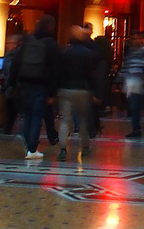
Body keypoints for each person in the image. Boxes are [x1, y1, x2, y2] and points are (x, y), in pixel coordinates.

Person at [11, 16, 60, 160]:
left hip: (25, 84)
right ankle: (32, 149)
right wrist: (52, 92)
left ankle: (28, 146)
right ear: (50, 26)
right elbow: (54, 70)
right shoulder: (51, 44)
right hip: (41, 85)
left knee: (27, 116)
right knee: (37, 117)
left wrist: (13, 83)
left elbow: (16, 62)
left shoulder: (28, 41)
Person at [57, 24, 96, 160]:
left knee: (64, 120)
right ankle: (85, 147)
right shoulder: (87, 53)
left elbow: (58, 72)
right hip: (82, 89)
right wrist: (94, 92)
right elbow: (91, 74)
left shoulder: (64, 51)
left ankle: (63, 149)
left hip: (65, 89)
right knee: (83, 120)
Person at [118, 31, 144, 138]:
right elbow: (126, 66)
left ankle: (137, 126)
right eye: (134, 39)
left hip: (140, 81)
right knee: (134, 105)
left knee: (137, 105)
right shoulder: (131, 52)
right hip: (132, 81)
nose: (136, 41)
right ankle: (136, 127)